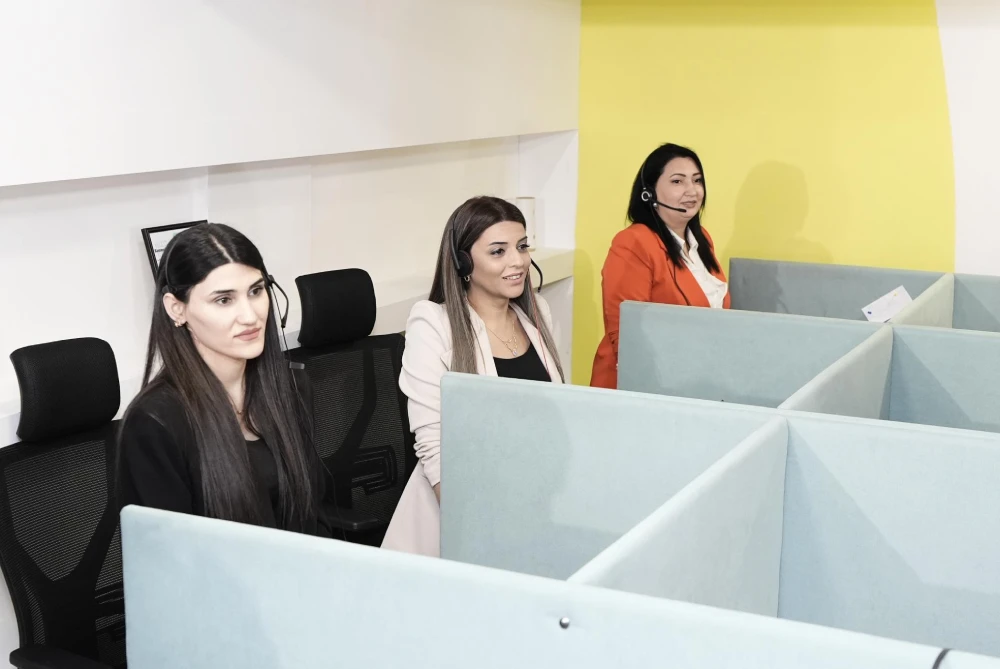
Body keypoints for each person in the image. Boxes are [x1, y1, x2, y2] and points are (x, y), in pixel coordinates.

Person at [117, 223, 332, 537]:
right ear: (177, 309)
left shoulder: (289, 388)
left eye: (256, 291)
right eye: (224, 300)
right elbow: (167, 556)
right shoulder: (156, 422)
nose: (250, 316)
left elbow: (312, 515)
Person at [381, 196, 564, 557]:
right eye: (498, 251)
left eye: (522, 246)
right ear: (464, 262)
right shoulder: (434, 324)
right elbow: (433, 444)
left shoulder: (537, 314)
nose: (518, 261)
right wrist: (473, 530)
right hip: (464, 516)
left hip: (535, 504)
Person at [590, 143, 730, 389]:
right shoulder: (634, 243)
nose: (692, 190)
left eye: (697, 180)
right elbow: (626, 333)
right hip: (645, 384)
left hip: (697, 377)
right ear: (649, 192)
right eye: (677, 181)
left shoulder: (702, 240)